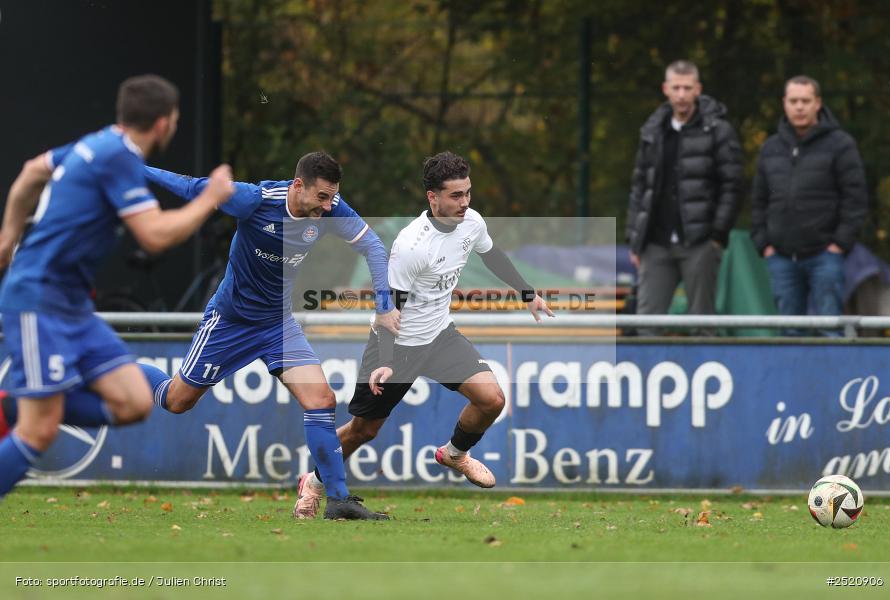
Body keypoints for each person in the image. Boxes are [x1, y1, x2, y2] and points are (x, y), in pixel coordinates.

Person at [0, 75, 234, 499]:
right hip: (40, 300)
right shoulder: (118, 156)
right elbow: (155, 235)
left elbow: (32, 172)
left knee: (134, 402)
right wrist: (209, 198)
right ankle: (27, 406)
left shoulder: (96, 143)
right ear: (164, 123)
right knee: (38, 433)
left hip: (71, 308)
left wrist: (6, 239)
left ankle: (18, 401)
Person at [133, 151, 400, 520]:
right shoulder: (254, 200)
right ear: (297, 186)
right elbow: (195, 186)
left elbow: (373, 246)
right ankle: (126, 371)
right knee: (177, 400)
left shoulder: (330, 207)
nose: (327, 207)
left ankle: (338, 501)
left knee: (322, 400)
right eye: (321, 197)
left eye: (332, 197)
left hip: (277, 324)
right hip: (230, 322)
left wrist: (384, 306)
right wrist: (137, 169)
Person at [293, 151, 554, 519]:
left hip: (440, 336)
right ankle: (314, 483)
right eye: (455, 196)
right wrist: (385, 362)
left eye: (468, 193)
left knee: (492, 399)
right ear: (433, 198)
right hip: (397, 344)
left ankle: (454, 454)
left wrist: (528, 293)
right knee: (362, 431)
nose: (465, 203)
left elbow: (492, 255)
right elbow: (388, 310)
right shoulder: (411, 246)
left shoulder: (472, 222)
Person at [626, 60, 742, 329]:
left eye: (687, 88)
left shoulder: (718, 130)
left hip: (700, 242)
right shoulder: (652, 130)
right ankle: (649, 371)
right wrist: (635, 237)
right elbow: (640, 185)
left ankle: (704, 369)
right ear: (665, 88)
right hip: (655, 242)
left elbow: (732, 184)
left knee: (702, 322)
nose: (681, 94)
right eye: (676, 87)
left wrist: (716, 236)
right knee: (647, 321)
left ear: (697, 89)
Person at [751, 75, 867, 325]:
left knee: (830, 330)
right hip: (780, 257)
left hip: (826, 256)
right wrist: (764, 244)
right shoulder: (770, 148)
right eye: (794, 101)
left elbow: (855, 199)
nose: (799, 107)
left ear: (818, 103)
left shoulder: (841, 145)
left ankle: (835, 367)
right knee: (789, 334)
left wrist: (839, 244)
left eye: (805, 100)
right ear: (784, 103)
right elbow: (759, 200)